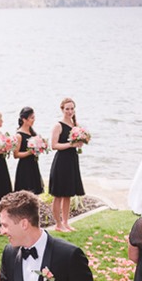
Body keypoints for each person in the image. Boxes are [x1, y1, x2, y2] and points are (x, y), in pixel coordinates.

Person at [49, 97, 85, 232]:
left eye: (72, 108)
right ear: (62, 110)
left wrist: (81, 143)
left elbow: (78, 142)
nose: (70, 111)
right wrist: (71, 144)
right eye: (67, 109)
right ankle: (58, 224)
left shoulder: (75, 125)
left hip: (72, 160)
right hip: (61, 161)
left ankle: (66, 222)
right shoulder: (58, 125)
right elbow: (54, 145)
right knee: (58, 194)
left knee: (68, 194)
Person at [14, 107, 44, 195]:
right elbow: (16, 154)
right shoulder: (19, 135)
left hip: (33, 165)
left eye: (34, 117)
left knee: (35, 194)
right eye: (31, 118)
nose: (33, 120)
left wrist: (41, 147)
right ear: (24, 119)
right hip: (24, 167)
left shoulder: (32, 133)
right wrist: (30, 152)